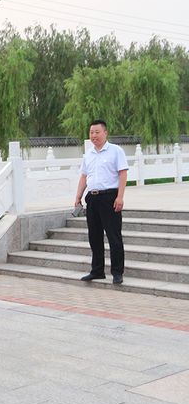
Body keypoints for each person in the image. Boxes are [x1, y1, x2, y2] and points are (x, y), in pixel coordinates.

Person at [74, 119, 128, 285]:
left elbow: (123, 173)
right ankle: (97, 271)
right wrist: (78, 196)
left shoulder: (115, 151)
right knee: (94, 236)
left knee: (113, 236)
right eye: (91, 132)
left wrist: (120, 196)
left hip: (109, 197)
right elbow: (84, 176)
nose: (94, 135)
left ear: (105, 133)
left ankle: (117, 272)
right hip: (92, 198)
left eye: (97, 132)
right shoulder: (88, 154)